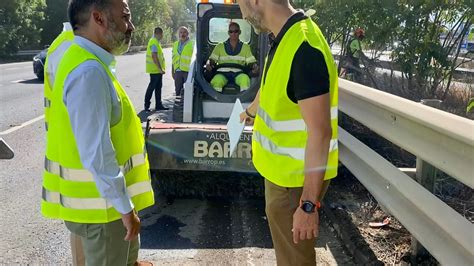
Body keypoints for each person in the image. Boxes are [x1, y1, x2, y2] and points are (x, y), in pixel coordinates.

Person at [40, 1, 155, 265]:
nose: (131, 26)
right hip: (104, 212)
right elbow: (97, 153)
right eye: (125, 17)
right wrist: (125, 207)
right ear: (98, 18)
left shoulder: (81, 59)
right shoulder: (89, 72)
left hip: (101, 208)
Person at [237, 0, 339, 265]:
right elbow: (272, 84)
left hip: (295, 185)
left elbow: (320, 132)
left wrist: (308, 205)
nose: (242, 12)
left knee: (295, 261)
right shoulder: (284, 37)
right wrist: (250, 112)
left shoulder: (303, 48)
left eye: (240, 3)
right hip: (283, 177)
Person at [43, 22, 85, 266]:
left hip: (74, 149)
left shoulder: (67, 45)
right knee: (83, 229)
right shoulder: (72, 49)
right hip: (77, 154)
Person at [206, 22, 258, 93]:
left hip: (239, 73)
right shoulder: (219, 46)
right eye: (231, 31)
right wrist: (208, 64)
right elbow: (211, 60)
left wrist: (255, 67)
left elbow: (251, 62)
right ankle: (217, 101)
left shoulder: (245, 47)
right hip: (222, 73)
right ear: (228, 33)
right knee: (217, 81)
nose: (233, 33)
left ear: (240, 32)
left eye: (236, 31)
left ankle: (243, 101)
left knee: (245, 80)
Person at [145, 27, 168, 111]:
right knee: (152, 87)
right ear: (159, 33)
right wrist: (160, 69)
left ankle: (158, 104)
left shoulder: (156, 42)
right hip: (155, 70)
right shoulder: (154, 42)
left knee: (158, 87)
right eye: (162, 34)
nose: (162, 36)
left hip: (157, 70)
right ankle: (147, 105)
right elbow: (154, 56)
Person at [172, 26, 194, 96]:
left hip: (188, 72)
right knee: (178, 91)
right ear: (178, 34)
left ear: (188, 34)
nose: (182, 34)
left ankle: (187, 107)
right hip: (178, 71)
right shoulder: (175, 44)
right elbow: (174, 58)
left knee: (188, 92)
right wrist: (173, 71)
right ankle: (179, 106)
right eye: (181, 32)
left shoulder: (192, 44)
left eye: (184, 32)